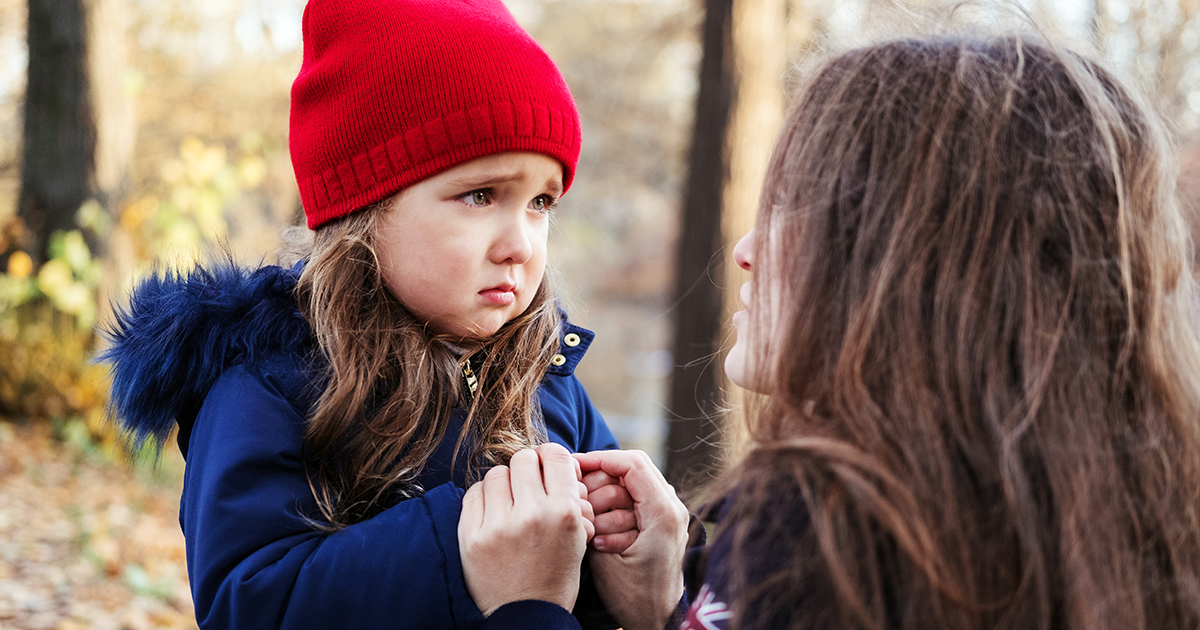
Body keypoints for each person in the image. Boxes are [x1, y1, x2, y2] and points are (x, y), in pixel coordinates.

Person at [472, 32, 1200, 630]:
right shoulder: (1106, 534)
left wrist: (526, 606)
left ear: (918, 268)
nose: (745, 249)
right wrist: (669, 607)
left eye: (797, 208)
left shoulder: (827, 539)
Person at [98, 0, 636, 628]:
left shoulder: (548, 377)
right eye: (480, 195)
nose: (521, 243)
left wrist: (628, 564)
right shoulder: (269, 387)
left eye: (541, 201)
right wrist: (460, 557)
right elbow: (249, 603)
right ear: (365, 205)